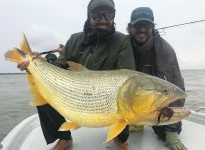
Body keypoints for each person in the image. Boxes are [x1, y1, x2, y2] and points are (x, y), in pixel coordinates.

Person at [18, 0, 135, 150]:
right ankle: (63, 138)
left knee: (127, 97)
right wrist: (38, 64)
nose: (103, 21)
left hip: (107, 92)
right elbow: (61, 65)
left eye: (109, 16)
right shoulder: (75, 39)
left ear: (114, 17)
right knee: (44, 89)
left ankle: (120, 138)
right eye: (97, 16)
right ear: (88, 17)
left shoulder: (121, 41)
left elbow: (128, 74)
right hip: (75, 89)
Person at [127, 7, 187, 150]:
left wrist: (171, 130)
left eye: (146, 25)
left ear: (152, 27)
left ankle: (169, 130)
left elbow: (176, 89)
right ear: (130, 27)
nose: (142, 29)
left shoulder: (165, 50)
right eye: (137, 25)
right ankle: (134, 121)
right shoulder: (122, 45)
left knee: (164, 132)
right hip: (127, 100)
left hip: (152, 101)